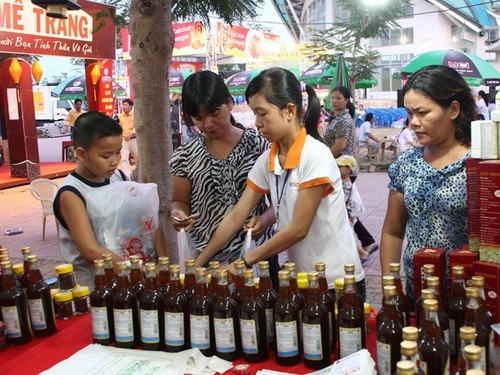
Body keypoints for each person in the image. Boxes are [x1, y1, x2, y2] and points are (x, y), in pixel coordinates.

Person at [197, 68, 365, 295]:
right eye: (254, 114)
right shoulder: (269, 159)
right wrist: (198, 263)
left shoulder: (315, 155)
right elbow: (237, 215)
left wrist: (244, 262)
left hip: (338, 282)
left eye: (262, 113)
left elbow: (298, 228)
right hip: (304, 280)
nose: (256, 123)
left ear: (289, 110)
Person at [380, 65, 474, 309]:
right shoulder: (407, 163)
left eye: (422, 112)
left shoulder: (481, 165)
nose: (413, 123)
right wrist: (390, 287)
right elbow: (392, 231)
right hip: (418, 292)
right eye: (410, 113)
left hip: (472, 295)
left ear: (453, 109)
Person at [169, 70, 278, 279]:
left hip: (255, 256)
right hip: (206, 261)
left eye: (214, 113)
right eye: (198, 118)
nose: (208, 124)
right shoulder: (185, 155)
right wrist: (179, 215)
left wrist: (264, 220)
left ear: (229, 103)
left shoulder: (259, 147)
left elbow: (278, 202)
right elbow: (179, 201)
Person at [53, 112, 166, 287]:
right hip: (94, 287)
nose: (114, 161)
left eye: (118, 152)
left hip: (129, 280)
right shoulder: (72, 194)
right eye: (106, 156)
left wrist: (162, 263)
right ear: (82, 154)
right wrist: (138, 272)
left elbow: (147, 220)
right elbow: (90, 250)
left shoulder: (119, 177)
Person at [323, 85, 379, 255]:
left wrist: (322, 160)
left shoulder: (344, 120)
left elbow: (340, 146)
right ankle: (366, 242)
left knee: (340, 209)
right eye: (333, 97)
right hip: (340, 166)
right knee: (342, 208)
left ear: (346, 101)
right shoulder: (336, 117)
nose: (334, 101)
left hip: (343, 168)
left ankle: (361, 248)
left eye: (339, 98)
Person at [335, 155, 371, 264]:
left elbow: (341, 200)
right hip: (345, 213)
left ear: (348, 169)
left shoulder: (345, 183)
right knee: (344, 234)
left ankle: (362, 253)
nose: (336, 168)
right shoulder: (342, 181)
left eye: (339, 166)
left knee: (346, 235)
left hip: (346, 214)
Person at [118, 98, 137, 177]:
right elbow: (120, 127)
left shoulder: (135, 115)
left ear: (131, 106)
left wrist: (131, 134)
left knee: (137, 158)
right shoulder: (121, 116)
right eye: (123, 105)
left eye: (125, 105)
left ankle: (137, 174)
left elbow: (137, 126)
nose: (123, 106)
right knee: (124, 158)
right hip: (124, 140)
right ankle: (126, 176)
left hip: (134, 140)